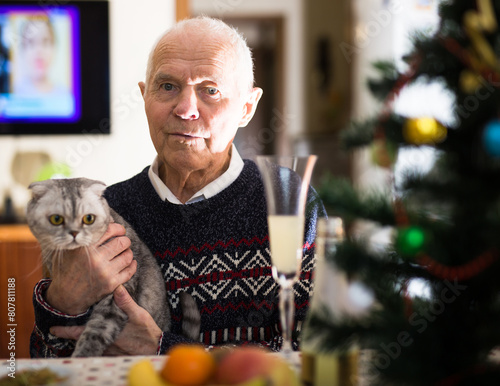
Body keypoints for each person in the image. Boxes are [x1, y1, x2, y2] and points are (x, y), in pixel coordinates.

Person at [30, 16, 326, 357]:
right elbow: (46, 368)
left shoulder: (289, 201)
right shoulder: (98, 215)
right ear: (144, 97)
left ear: (247, 106)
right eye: (168, 86)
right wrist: (61, 302)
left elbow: (316, 355)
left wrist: (160, 348)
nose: (186, 109)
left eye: (210, 90)